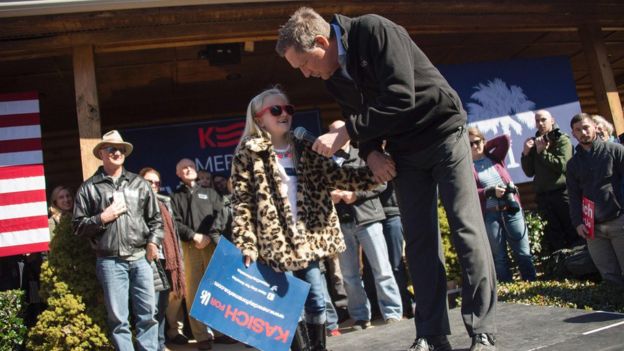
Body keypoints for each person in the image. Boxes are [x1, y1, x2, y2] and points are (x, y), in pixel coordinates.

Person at [276, 8, 497, 351]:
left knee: (465, 228)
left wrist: (347, 134)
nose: (306, 74)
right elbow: (360, 119)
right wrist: (370, 153)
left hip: (443, 133)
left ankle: (481, 329)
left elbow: (400, 96)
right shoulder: (333, 76)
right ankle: (430, 333)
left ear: (322, 41)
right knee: (420, 241)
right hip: (404, 152)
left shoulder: (374, 30)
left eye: (305, 63)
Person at [231, 87, 379, 351]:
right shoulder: (248, 152)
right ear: (258, 116)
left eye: (288, 109)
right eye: (276, 110)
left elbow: (338, 176)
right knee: (287, 305)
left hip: (307, 238)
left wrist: (376, 173)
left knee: (316, 299)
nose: (284, 114)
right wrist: (247, 243)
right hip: (274, 243)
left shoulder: (304, 146)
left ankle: (319, 347)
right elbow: (243, 202)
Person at [73, 130, 163, 351]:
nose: (117, 152)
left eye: (120, 149)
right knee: (118, 320)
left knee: (148, 316)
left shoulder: (139, 184)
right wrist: (103, 217)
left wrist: (153, 242)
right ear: (101, 153)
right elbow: (77, 226)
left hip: (141, 258)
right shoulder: (89, 187)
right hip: (110, 262)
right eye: (111, 149)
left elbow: (156, 219)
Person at [329, 120, 403, 328]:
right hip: (342, 223)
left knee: (382, 269)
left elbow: (382, 181)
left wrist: (355, 194)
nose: (336, 135)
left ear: (346, 134)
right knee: (349, 275)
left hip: (368, 217)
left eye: (339, 131)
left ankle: (392, 312)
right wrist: (330, 197)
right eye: (331, 131)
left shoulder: (363, 154)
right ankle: (361, 316)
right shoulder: (324, 161)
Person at [468, 127, 537, 282]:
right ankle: (508, 292)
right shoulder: (467, 168)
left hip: (511, 209)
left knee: (523, 252)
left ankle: (532, 286)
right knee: (499, 257)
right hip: (490, 214)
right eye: (469, 144)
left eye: (476, 142)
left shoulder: (495, 158)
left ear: (483, 141)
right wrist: (489, 191)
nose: (474, 146)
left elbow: (504, 139)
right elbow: (470, 193)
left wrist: (484, 146)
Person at [170, 158, 225, 350]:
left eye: (191, 166)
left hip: (211, 246)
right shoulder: (175, 197)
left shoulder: (210, 193)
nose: (188, 169)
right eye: (183, 168)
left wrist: (210, 235)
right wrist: (193, 236)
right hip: (190, 247)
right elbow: (174, 222)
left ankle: (219, 332)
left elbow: (222, 213)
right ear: (178, 173)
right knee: (193, 292)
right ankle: (201, 336)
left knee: (216, 289)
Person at [566, 113, 624, 286]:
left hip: (619, 221)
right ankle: (616, 312)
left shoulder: (615, 150)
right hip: (593, 228)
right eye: (578, 130)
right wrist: (578, 223)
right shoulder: (573, 164)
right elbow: (574, 196)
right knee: (609, 276)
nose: (583, 132)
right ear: (573, 134)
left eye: (586, 127)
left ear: (595, 127)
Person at [140, 167, 187, 350]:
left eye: (156, 182)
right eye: (149, 181)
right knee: (150, 308)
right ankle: (153, 345)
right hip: (147, 260)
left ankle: (160, 343)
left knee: (161, 305)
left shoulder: (165, 202)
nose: (153, 185)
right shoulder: (136, 202)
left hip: (167, 259)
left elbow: (173, 233)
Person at [521, 110, 579, 252]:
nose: (540, 123)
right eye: (537, 121)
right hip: (543, 197)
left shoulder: (561, 139)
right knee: (554, 236)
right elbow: (529, 172)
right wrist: (526, 153)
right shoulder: (536, 141)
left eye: (543, 120)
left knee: (572, 231)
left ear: (552, 120)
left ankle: (581, 267)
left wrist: (543, 152)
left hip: (562, 193)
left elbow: (563, 166)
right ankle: (562, 268)